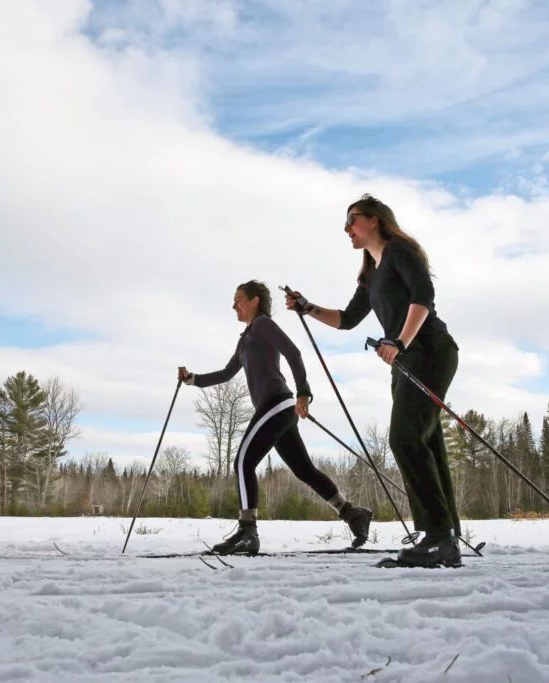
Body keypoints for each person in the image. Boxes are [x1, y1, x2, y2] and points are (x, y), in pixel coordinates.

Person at [284, 194, 462, 568]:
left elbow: (423, 296)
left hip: (430, 351)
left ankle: (438, 536)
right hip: (405, 359)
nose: (346, 228)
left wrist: (400, 341)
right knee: (425, 442)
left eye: (352, 219)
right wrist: (307, 307)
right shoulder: (371, 273)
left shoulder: (399, 250)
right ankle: (444, 536)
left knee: (405, 438)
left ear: (374, 220)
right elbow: (347, 319)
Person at [179, 279, 372, 555]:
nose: (234, 306)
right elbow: (226, 373)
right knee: (304, 470)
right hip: (276, 410)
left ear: (255, 300)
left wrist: (304, 392)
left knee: (243, 461)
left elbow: (293, 352)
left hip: (277, 404)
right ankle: (352, 513)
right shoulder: (245, 339)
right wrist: (192, 379)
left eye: (239, 300)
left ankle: (248, 531)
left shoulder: (263, 324)